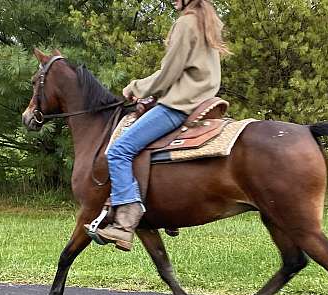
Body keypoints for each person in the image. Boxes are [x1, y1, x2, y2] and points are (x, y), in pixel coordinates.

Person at [90, 0, 230, 251]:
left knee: (119, 151)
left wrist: (136, 87)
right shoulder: (206, 21)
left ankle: (124, 222)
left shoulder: (186, 23)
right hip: (200, 99)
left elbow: (168, 73)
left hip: (179, 105)